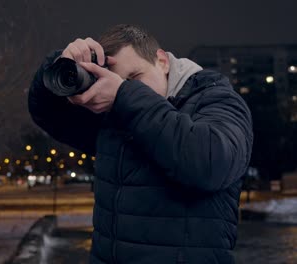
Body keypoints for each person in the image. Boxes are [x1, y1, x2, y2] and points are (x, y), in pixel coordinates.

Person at [28, 24, 253, 263]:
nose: (120, 89)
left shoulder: (215, 98)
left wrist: (125, 95)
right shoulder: (116, 116)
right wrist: (62, 62)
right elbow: (48, 114)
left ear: (162, 61)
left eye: (134, 78)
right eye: (116, 82)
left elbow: (211, 164)